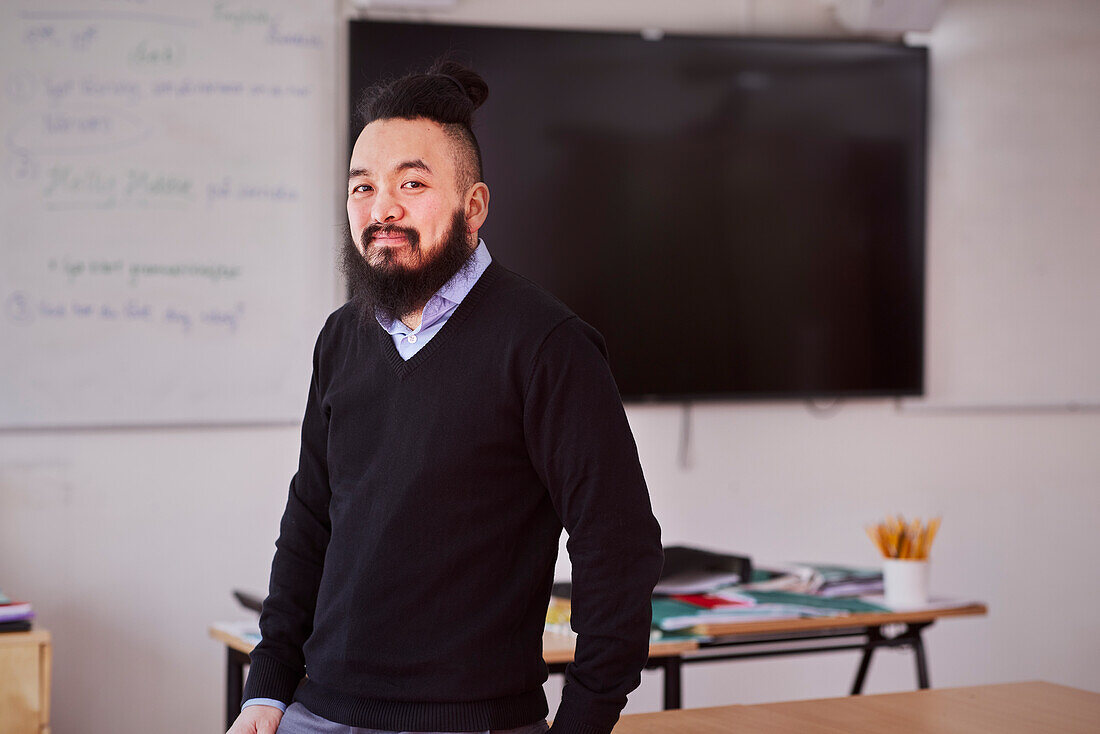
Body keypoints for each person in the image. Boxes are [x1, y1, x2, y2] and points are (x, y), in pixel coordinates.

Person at [227, 60, 663, 734]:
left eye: (413, 184)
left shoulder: (547, 344)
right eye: (363, 188)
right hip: (316, 709)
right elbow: (310, 520)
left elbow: (618, 546)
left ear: (474, 206)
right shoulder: (342, 338)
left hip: (470, 720)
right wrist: (266, 690)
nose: (382, 209)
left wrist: (583, 720)